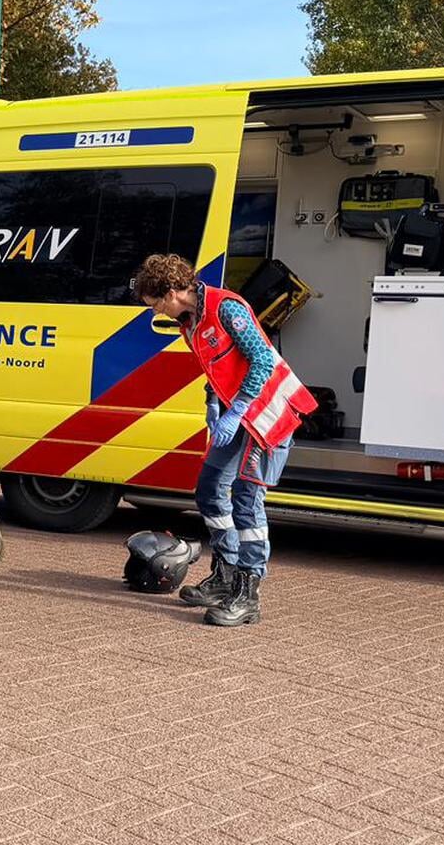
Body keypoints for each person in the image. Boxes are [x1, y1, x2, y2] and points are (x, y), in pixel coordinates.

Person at [132, 253, 317, 627]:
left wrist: (237, 410)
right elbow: (214, 369)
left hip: (266, 415)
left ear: (171, 292)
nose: (156, 313)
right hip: (236, 415)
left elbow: (263, 360)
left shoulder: (226, 309)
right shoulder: (190, 323)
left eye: (155, 305)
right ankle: (226, 574)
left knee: (248, 503)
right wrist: (214, 403)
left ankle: (248, 594)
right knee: (211, 488)